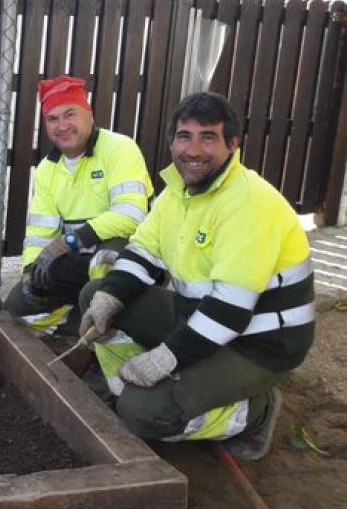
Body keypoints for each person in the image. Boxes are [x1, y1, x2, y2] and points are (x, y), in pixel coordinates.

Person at [78, 92, 314, 461]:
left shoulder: (249, 204)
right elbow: (142, 252)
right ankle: (129, 380)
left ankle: (256, 411)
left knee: (142, 413)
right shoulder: (178, 194)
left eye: (208, 137)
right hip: (199, 318)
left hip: (258, 344)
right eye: (185, 136)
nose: (194, 150)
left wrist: (164, 359)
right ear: (172, 142)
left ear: (232, 144)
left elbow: (230, 311)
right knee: (96, 293)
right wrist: (109, 297)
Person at [4, 75, 153, 334]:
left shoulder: (120, 149)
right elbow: (40, 233)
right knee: (18, 304)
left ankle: (103, 321)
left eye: (69, 114)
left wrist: (69, 241)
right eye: (53, 119)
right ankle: (82, 327)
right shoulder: (47, 170)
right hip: (80, 259)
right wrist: (30, 270)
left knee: (102, 266)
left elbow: (132, 216)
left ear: (89, 114)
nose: (62, 126)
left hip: (127, 254)